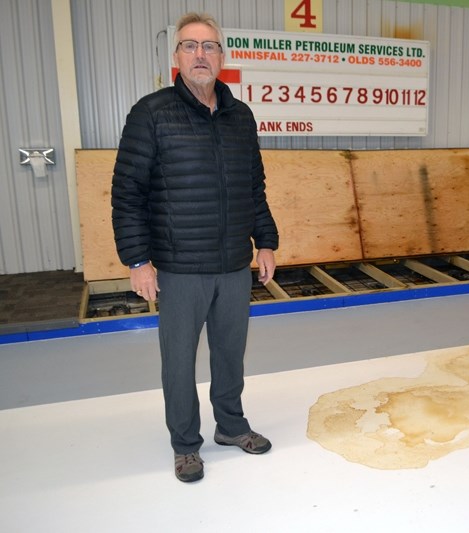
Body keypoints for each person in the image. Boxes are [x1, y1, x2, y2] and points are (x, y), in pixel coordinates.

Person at [111, 12, 279, 483]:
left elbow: (254, 187)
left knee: (230, 353)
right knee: (179, 362)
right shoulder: (152, 113)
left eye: (210, 46)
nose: (201, 54)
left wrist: (265, 241)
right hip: (179, 267)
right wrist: (138, 261)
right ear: (177, 56)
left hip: (231, 265)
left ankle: (230, 426)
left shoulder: (239, 115)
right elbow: (127, 192)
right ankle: (186, 444)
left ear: (223, 57)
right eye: (190, 45)